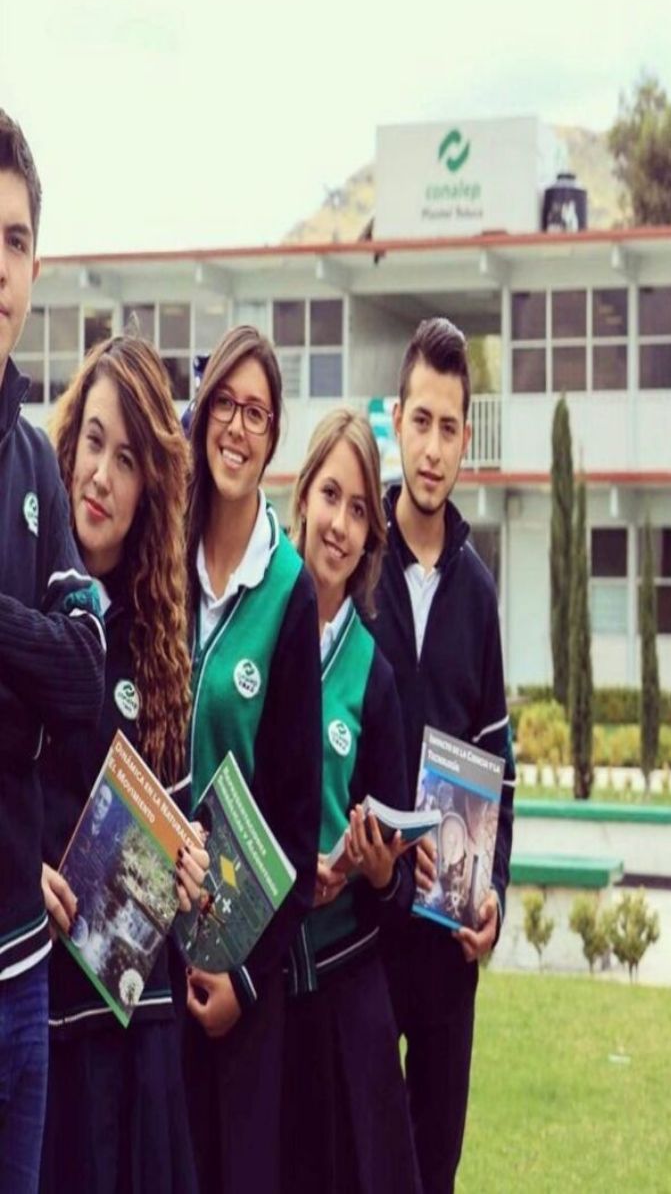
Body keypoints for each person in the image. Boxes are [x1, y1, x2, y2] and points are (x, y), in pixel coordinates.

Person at [39, 334, 208, 1194]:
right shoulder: (25, 597)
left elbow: (175, 826)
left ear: (151, 490)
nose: (101, 475)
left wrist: (191, 868)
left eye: (128, 459)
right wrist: (19, 866)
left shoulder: (160, 646)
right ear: (68, 446)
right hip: (37, 1019)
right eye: (94, 443)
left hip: (135, 1036)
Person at [365, 318, 515, 1194]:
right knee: (359, 1161)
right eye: (419, 421)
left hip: (446, 945)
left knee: (435, 1171)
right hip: (361, 935)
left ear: (465, 438)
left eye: (448, 427)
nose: (431, 447)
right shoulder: (355, 564)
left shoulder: (479, 592)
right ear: (396, 420)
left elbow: (500, 763)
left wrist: (495, 897)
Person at [182, 324, 322, 1194]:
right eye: (225, 405)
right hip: (142, 956)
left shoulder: (289, 590)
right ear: (201, 417)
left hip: (238, 975)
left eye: (257, 413)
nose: (237, 426)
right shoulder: (160, 554)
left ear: (272, 440)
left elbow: (297, 826)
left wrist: (243, 975)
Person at [0, 109, 105, 1194]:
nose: (0, 265)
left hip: (22, 977)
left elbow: (82, 677)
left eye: (16, 239)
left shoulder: (36, 464)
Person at [281, 408, 421, 1194]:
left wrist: (376, 870)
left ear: (371, 536)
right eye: (331, 495)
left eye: (360, 508)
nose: (339, 523)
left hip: (348, 1002)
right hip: (261, 992)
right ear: (303, 496)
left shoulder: (374, 675)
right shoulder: (254, 627)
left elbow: (397, 891)